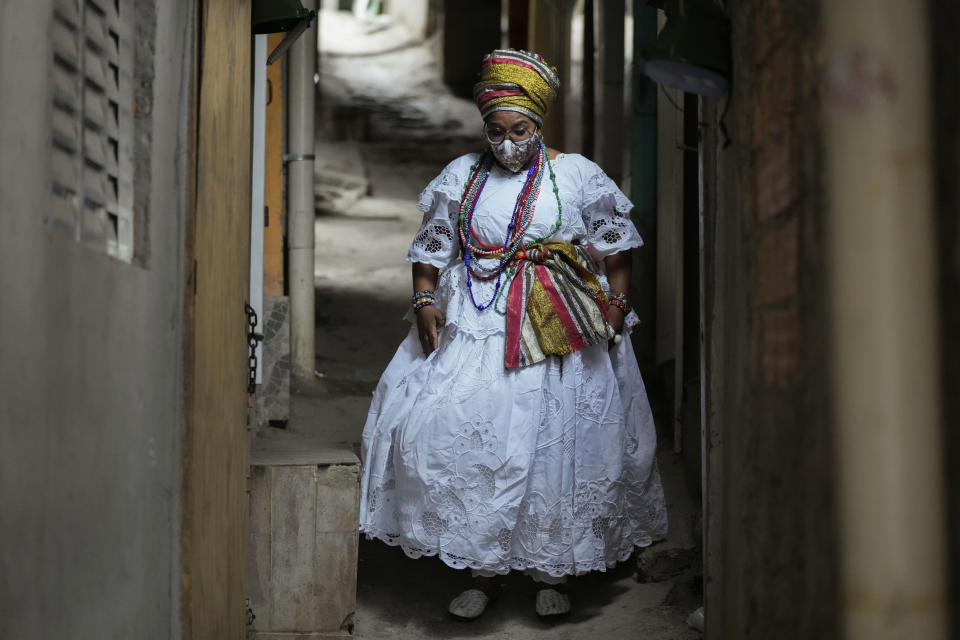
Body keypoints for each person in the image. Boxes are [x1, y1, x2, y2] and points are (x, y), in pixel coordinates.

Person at [359, 49, 667, 620]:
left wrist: (618, 304)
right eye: (495, 131)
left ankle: (552, 570)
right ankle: (485, 569)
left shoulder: (575, 175)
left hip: (558, 328)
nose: (507, 143)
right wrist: (424, 297)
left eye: (519, 130)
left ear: (539, 124)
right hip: (476, 325)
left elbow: (616, 246)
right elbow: (431, 246)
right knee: (468, 440)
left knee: (555, 444)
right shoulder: (461, 175)